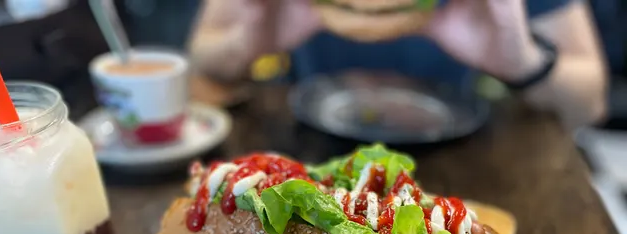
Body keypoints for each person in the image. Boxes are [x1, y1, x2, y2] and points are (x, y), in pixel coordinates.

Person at [188, 0, 608, 130]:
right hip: (303, 153)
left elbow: (589, 103)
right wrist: (245, 44)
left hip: (469, 170)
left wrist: (524, 63)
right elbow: (201, 59)